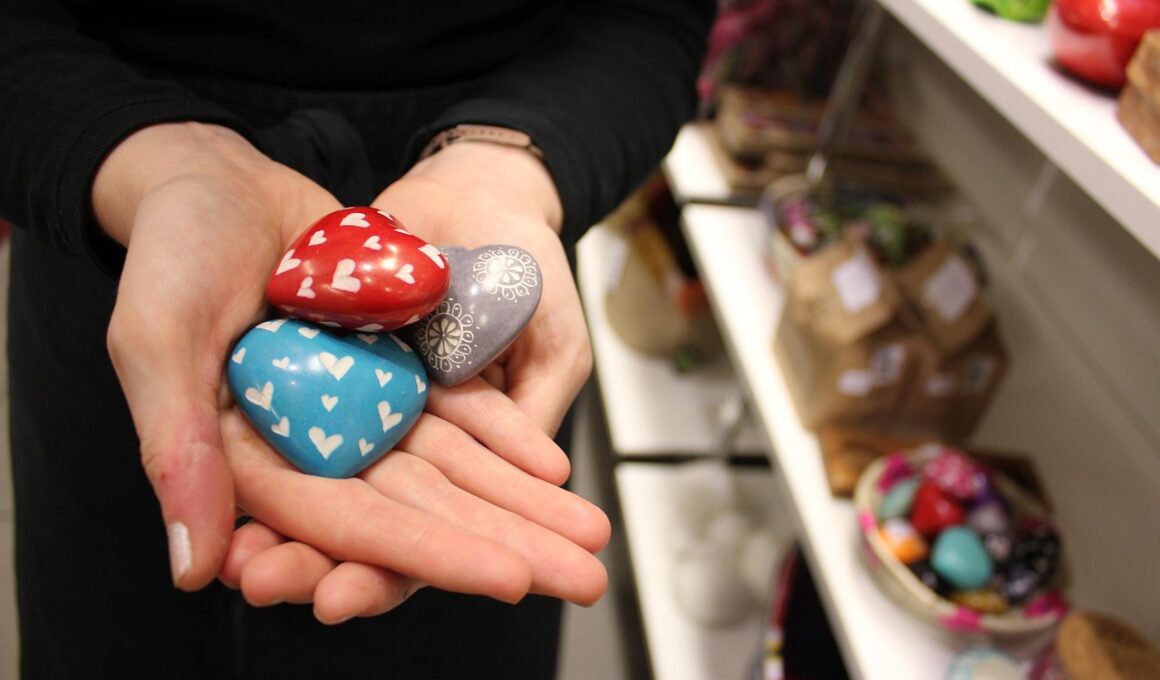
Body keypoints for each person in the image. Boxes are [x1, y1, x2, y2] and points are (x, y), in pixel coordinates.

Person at [0, 1, 716, 677]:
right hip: (125, 219)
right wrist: (133, 152)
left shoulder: (446, 291)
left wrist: (520, 159)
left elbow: (651, 15)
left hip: (494, 177)